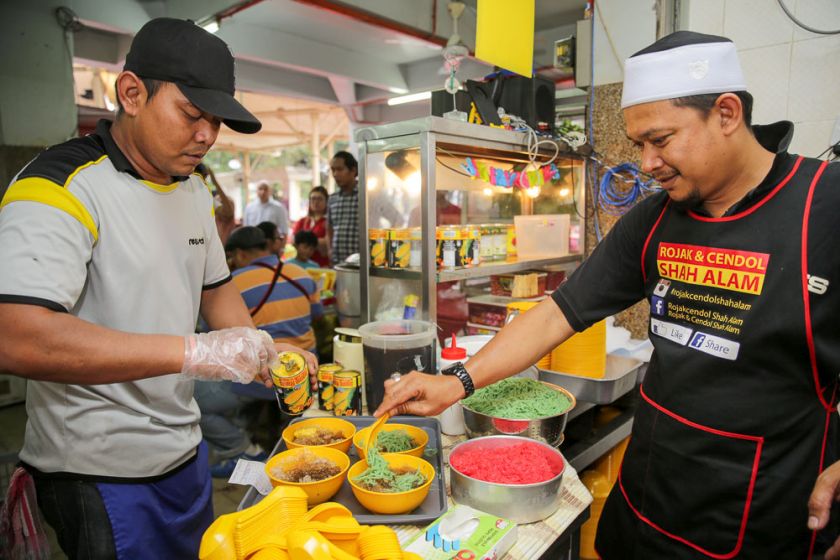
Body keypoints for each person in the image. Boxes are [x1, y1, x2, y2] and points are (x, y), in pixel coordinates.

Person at [374, 31, 840, 559]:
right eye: (638, 143)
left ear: (727, 114)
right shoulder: (655, 219)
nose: (646, 163)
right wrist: (455, 381)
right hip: (649, 498)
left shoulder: (825, 207)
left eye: (660, 140)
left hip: (764, 516)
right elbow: (558, 313)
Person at [0, 18, 318, 559]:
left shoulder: (193, 190)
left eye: (215, 121)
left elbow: (216, 292)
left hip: (183, 450)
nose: (207, 136)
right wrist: (194, 352)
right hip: (97, 469)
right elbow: (17, 337)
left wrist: (259, 348)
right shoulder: (59, 186)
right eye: (192, 114)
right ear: (131, 93)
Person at [196, 226, 322, 478]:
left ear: (240, 254)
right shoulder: (303, 274)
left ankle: (245, 450)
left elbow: (213, 335)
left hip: (259, 380)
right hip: (304, 376)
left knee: (194, 403)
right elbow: (318, 315)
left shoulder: (231, 285)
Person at [326, 151, 360, 266]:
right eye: (333, 170)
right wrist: (330, 250)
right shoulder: (332, 199)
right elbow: (329, 228)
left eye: (340, 169)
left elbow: (396, 218)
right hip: (338, 264)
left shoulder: (366, 196)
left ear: (353, 170)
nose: (335, 174)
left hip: (360, 264)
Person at [197, 162, 236, 244]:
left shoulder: (206, 198)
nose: (202, 182)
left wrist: (215, 182)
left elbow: (228, 212)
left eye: (204, 178)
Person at [292, 185, 330, 267]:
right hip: (301, 265)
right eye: (313, 199)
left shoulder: (329, 221)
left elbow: (327, 245)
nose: (316, 202)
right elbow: (294, 241)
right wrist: (317, 242)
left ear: (326, 201)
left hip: (322, 265)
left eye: (320, 199)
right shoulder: (302, 221)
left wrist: (304, 243)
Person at [243, 180, 289, 244]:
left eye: (265, 189)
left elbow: (284, 229)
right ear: (256, 191)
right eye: (260, 189)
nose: (263, 192)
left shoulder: (278, 208)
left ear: (270, 191)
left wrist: (282, 247)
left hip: (271, 244)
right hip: (253, 244)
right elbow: (246, 228)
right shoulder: (249, 208)